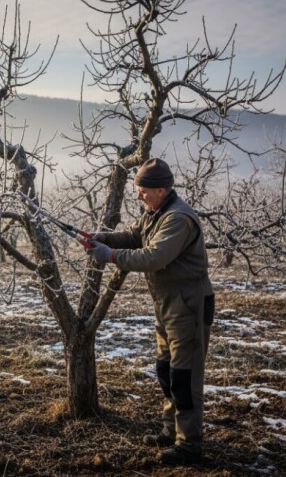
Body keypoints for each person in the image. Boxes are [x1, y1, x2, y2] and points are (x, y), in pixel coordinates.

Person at [85, 158, 215, 466]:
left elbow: (153, 257)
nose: (138, 196)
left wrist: (110, 256)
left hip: (189, 304)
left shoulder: (178, 219)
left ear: (160, 189)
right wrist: (104, 238)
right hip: (167, 303)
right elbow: (134, 236)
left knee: (184, 377)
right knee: (165, 371)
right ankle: (171, 430)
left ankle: (189, 444)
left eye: (142, 191)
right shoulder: (154, 211)